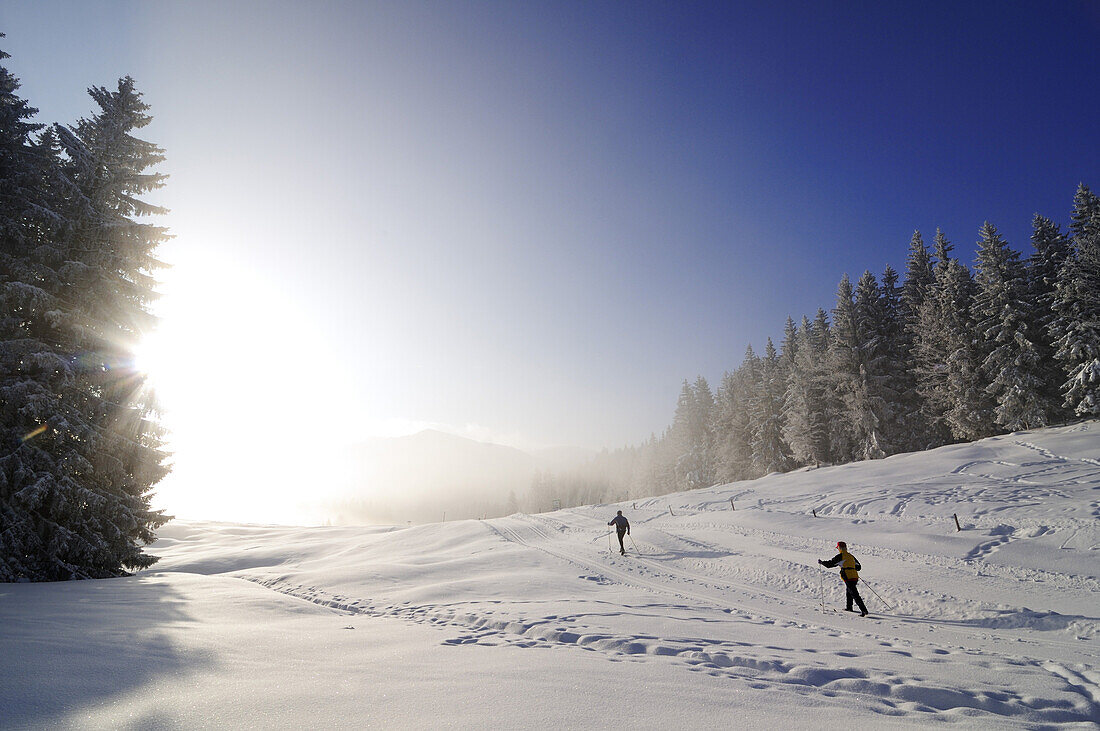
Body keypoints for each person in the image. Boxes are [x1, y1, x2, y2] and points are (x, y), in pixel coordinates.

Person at [819, 541, 868, 616]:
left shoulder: (840, 556)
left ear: (840, 548)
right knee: (849, 591)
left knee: (854, 593)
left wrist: (822, 562)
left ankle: (864, 610)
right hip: (854, 576)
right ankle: (849, 607)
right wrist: (851, 567)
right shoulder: (851, 556)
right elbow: (858, 567)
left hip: (848, 576)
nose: (837, 549)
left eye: (838, 548)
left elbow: (830, 564)